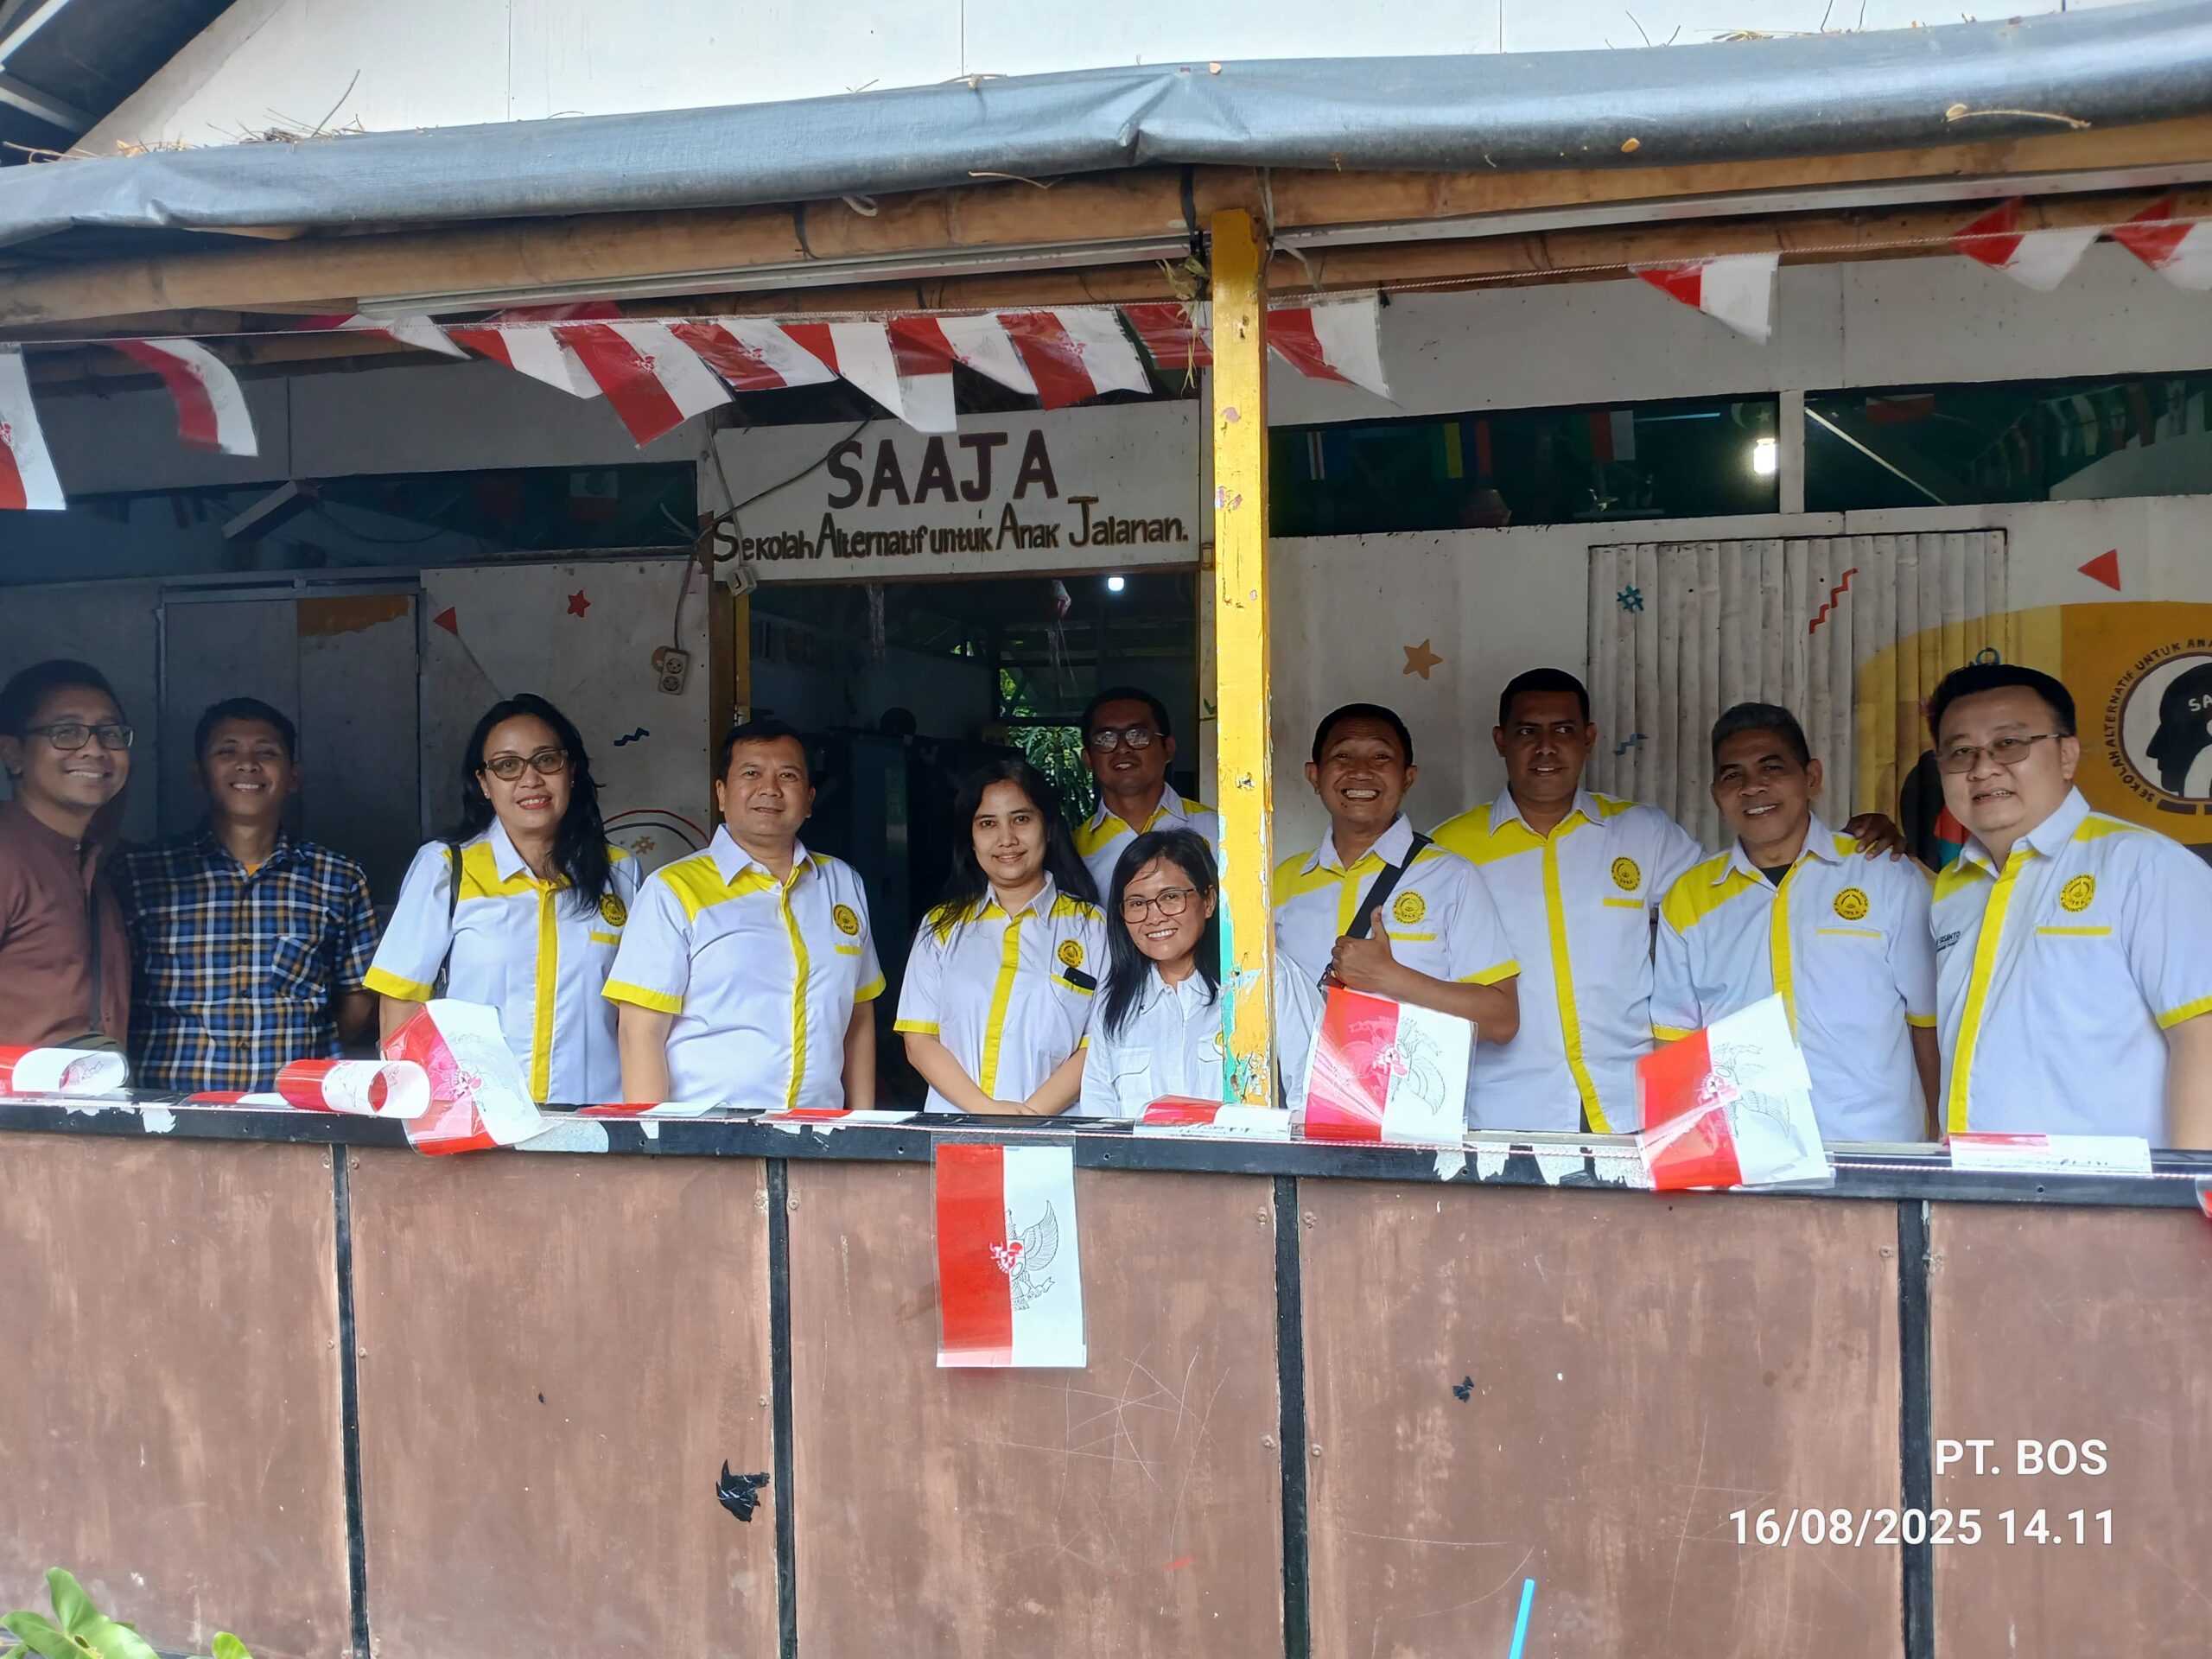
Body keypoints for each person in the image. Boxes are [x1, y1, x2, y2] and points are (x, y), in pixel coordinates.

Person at [1430, 667, 1904, 1135]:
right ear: (1500, 740)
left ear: (1589, 738)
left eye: (1565, 730)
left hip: (1631, 1105)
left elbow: (1745, 890)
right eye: (1527, 731)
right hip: (1504, 1107)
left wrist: (1849, 847)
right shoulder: (1448, 849)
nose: (1547, 747)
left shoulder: (1643, 832)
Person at [1927, 661, 2212, 1147]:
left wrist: (2193, 1197)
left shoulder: (2143, 866)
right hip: (1975, 1196)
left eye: (2009, 744)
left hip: (2107, 1202)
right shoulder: (1952, 890)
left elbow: (2200, 1039)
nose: (1983, 767)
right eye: (1961, 752)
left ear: (2066, 755)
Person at [1651, 703, 1938, 1142]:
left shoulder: (1884, 874)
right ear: (1716, 794)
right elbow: (1676, 1039)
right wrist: (1684, 1158)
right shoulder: (1688, 898)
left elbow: (1927, 1020)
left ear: (1812, 778)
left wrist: (1939, 1134)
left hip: (1873, 1144)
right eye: (1733, 775)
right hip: (1749, 1156)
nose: (1752, 787)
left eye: (1772, 767)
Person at [367, 694, 639, 1104]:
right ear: (484, 784)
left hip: (597, 1118)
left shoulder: (619, 873)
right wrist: (417, 1114)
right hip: (477, 1122)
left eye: (546, 760)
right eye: (507, 766)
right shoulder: (445, 867)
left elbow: (640, 1013)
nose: (530, 780)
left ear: (572, 770)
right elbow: (400, 1004)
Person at [607, 718, 883, 1109]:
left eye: (787, 775)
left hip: (822, 1132)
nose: (769, 789)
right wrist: (655, 1147)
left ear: (809, 798)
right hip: (709, 1135)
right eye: (751, 773)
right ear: (721, 793)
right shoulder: (673, 890)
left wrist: (862, 1128)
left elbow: (858, 1017)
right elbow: (640, 1033)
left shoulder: (842, 883)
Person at [118, 698, 378, 1093]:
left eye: (267, 752)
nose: (248, 764)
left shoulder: (338, 878)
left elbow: (359, 998)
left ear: (294, 776)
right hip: (166, 1112)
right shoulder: (142, 873)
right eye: (228, 751)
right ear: (198, 774)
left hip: (294, 1114)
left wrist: (306, 1059)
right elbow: (110, 995)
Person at [1274, 703, 1519, 1109]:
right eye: (1342, 755)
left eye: (1381, 756)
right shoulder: (1280, 883)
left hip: (1413, 1118)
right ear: (1314, 775)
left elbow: (1502, 1019)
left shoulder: (1450, 877)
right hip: (1302, 1120)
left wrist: (1390, 977)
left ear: (1408, 777)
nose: (1360, 770)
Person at [896, 757, 1105, 1115]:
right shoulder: (941, 927)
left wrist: (1030, 1116)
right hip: (957, 1128)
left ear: (1049, 827)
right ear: (971, 839)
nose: (1006, 839)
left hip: (1057, 1133)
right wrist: (984, 1110)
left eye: (1021, 819)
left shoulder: (1092, 927)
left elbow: (1099, 1043)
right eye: (987, 823)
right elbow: (920, 1039)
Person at [0, 660, 133, 1052]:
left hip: (84, 1111)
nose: (94, 749)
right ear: (13, 754)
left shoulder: (89, 867)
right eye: (67, 732)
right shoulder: (7, 857)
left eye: (110, 734)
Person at [1079, 828, 1224, 1118]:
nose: (1154, 917)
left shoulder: (1261, 980)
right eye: (1137, 904)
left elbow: (1308, 1097)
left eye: (1170, 897)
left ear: (1208, 900)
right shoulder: (1115, 1006)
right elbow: (1099, 1119)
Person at [1072, 686, 1220, 898]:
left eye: (1138, 735)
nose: (1122, 748)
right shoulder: (1073, 851)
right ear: (1088, 758)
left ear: (1168, 749)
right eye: (1105, 738)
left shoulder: (1217, 831)